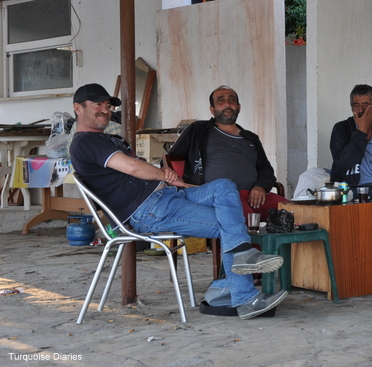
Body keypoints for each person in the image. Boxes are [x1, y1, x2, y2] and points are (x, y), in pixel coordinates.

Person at [69, 83, 288, 319]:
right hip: (148, 209)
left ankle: (226, 285)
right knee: (231, 223)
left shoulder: (107, 139)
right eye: (98, 105)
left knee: (224, 187)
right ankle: (244, 296)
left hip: (168, 195)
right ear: (78, 108)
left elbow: (139, 169)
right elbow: (132, 167)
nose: (105, 110)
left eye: (107, 105)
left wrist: (172, 179)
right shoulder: (86, 142)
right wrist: (164, 175)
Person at [168, 86, 287, 221]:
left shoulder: (250, 137)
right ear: (212, 109)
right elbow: (170, 160)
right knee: (244, 220)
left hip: (254, 195)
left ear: (239, 107)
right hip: (219, 196)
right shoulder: (198, 130)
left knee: (295, 212)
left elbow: (266, 169)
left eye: (232, 100)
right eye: (221, 100)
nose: (227, 104)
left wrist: (260, 187)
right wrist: (181, 184)